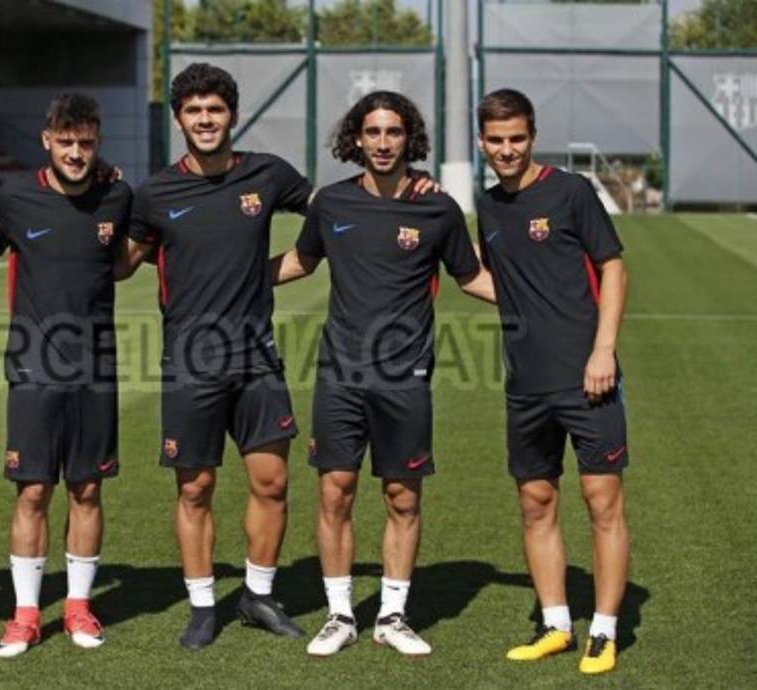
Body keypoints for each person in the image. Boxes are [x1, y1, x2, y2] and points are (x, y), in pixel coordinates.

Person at [272, 91, 495, 658]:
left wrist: (547, 303)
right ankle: (340, 615)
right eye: (372, 132)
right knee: (335, 491)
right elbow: (300, 261)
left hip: (404, 376)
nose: (382, 142)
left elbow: (471, 276)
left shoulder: (437, 208)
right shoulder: (333, 204)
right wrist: (228, 274)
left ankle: (392, 616)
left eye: (393, 132)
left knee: (402, 496)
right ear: (357, 138)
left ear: (408, 138)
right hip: (340, 374)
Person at [119, 62, 311, 650]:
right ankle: (203, 606)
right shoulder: (155, 193)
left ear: (233, 115)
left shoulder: (268, 175)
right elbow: (122, 262)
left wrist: (270, 272)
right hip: (190, 361)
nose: (205, 120)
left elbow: (336, 214)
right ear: (179, 120)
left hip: (257, 359)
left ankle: (257, 595)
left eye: (215, 110)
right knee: (195, 487)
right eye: (194, 111)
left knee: (272, 482)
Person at [476, 88, 630, 675]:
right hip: (525, 384)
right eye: (496, 140)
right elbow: (498, 280)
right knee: (536, 502)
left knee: (601, 501)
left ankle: (605, 632)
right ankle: (557, 625)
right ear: (482, 142)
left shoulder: (571, 192)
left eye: (517, 138)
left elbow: (613, 267)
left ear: (532, 137)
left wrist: (603, 350)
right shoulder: (488, 206)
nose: (507, 150)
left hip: (588, 376)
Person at [0, 92, 133, 658]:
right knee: (34, 490)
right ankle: (24, 615)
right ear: (46, 140)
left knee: (87, 487)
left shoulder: (117, 196)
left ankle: (77, 607)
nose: (75, 152)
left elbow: (126, 260)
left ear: (97, 143)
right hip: (33, 367)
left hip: (96, 368)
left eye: (85, 143)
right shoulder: (14, 198)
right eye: (65, 142)